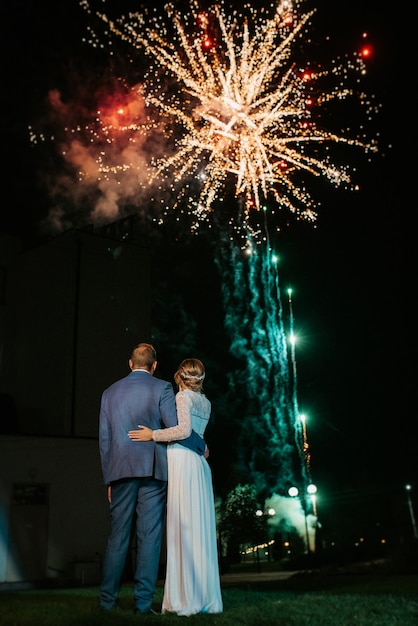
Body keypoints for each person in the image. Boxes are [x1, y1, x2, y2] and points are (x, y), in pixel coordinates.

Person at [98, 343, 206, 615]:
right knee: (149, 536)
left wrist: (109, 479)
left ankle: (107, 603)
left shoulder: (109, 393)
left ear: (130, 363)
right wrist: (202, 446)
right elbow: (177, 427)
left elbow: (105, 441)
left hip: (120, 471)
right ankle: (143, 604)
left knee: (118, 538)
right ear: (154, 365)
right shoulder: (162, 389)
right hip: (153, 470)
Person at [128, 357, 223, 616]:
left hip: (182, 460)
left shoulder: (183, 397)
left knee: (183, 525)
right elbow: (197, 435)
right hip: (200, 465)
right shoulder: (206, 402)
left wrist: (153, 434)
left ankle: (184, 599)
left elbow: (183, 431)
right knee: (198, 527)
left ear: (181, 376)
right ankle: (204, 596)